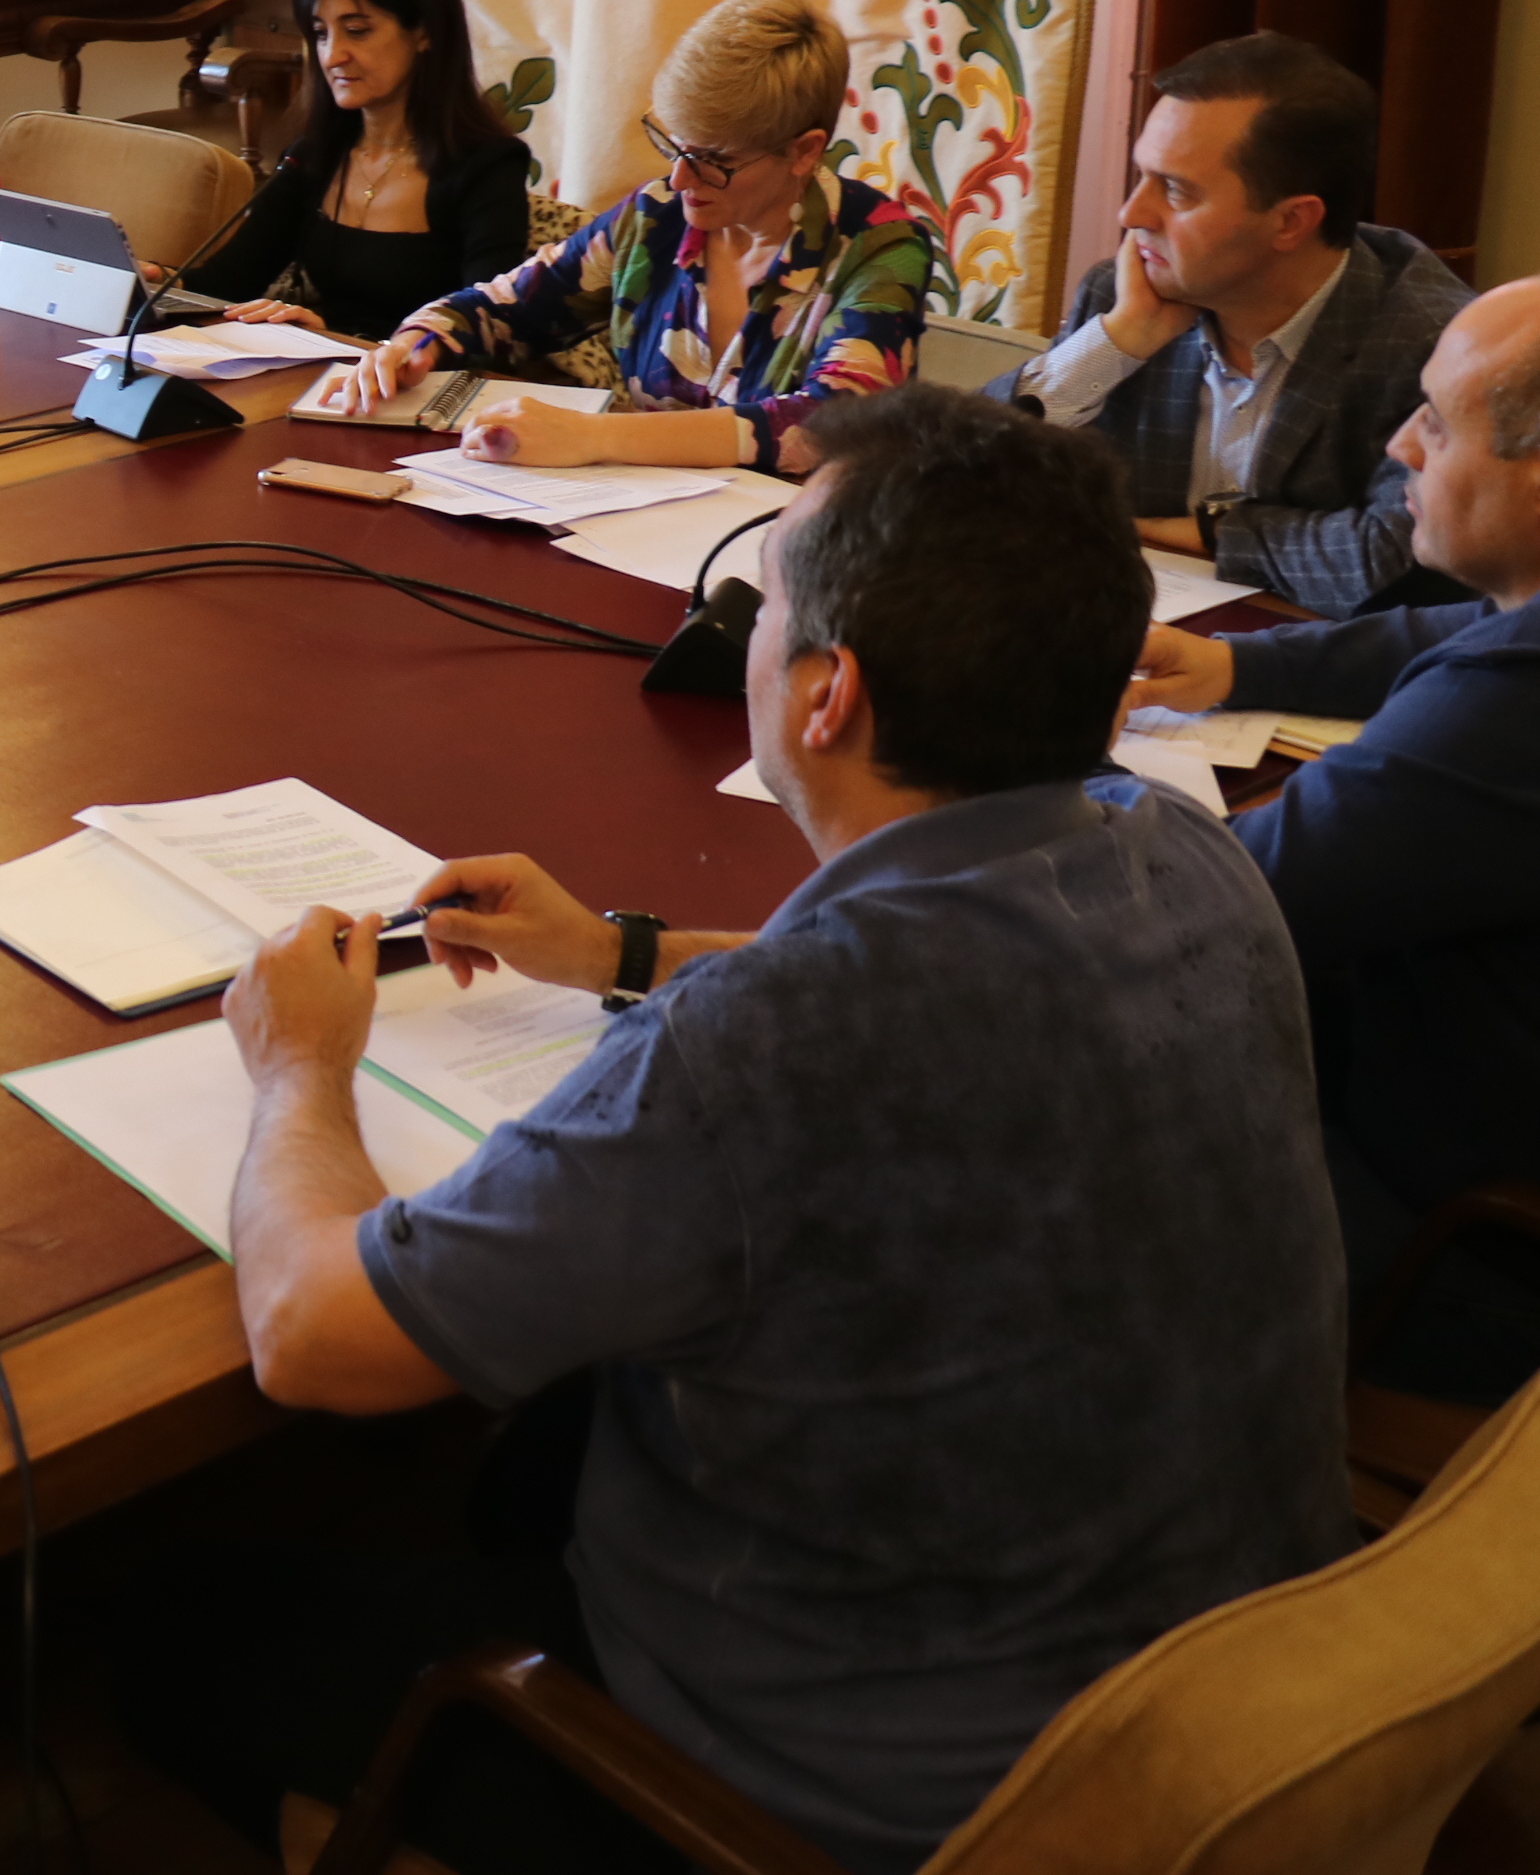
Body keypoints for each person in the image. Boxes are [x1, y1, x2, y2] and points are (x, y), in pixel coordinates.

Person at [120, 384, 1343, 1875]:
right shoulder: (1192, 854)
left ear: (829, 696)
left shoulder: (761, 1047)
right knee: (544, 1442)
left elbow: (311, 1336)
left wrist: (298, 1068)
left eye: (761, 607)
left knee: (172, 1621)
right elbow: (925, 981)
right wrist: (617, 953)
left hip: (896, 1809)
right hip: (1221, 1699)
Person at [1130, 273, 1540, 1401]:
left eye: (1437, 422)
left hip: (1484, 1253)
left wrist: (1031, 756)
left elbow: (1233, 896)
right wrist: (1238, 665)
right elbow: (1468, 626)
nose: (1399, 446)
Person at [315, 0, 934, 476]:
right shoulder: (657, 214)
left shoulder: (881, 244)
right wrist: (414, 345)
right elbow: (508, 308)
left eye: (714, 159)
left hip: (796, 556)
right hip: (638, 533)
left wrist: (594, 435)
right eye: (675, 145)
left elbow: (829, 424)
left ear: (803, 152)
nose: (680, 177)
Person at [998, 33, 1469, 617]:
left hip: (1312, 658)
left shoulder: (1434, 340)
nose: (1131, 213)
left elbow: (1397, 560)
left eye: (1175, 189)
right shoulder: (1122, 296)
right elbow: (957, 480)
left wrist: (1214, 530)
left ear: (1291, 221)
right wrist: (1116, 342)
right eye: (1142, 175)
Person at [177, 0, 535, 337]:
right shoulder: (313, 156)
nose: (332, 56)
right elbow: (226, 284)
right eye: (320, 34)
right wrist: (156, 283)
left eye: (356, 31)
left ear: (424, 32)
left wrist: (335, 339)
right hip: (318, 368)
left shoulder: (486, 166)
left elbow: (487, 329)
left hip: (423, 374)